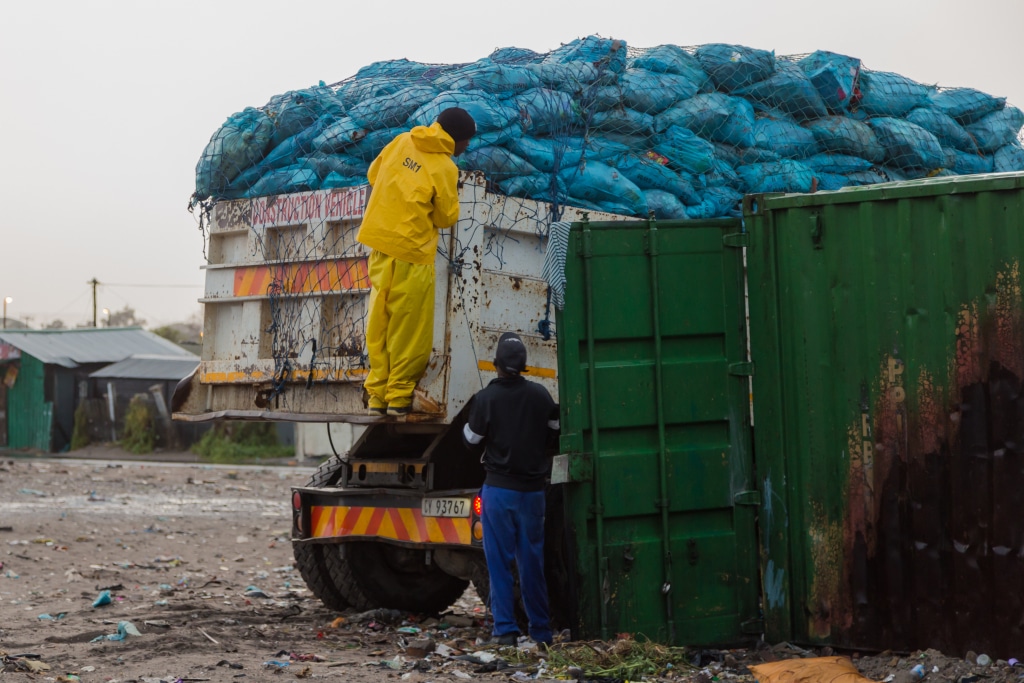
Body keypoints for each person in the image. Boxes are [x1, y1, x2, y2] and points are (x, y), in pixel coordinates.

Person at [357, 107, 476, 417]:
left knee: (379, 322)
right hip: (412, 252)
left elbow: (373, 174)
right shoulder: (446, 167)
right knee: (409, 330)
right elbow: (446, 216)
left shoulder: (400, 141)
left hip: (381, 245)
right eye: (466, 143)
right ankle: (397, 398)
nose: (466, 149)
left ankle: (375, 397)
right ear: (457, 140)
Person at [463, 332, 560, 646]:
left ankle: (505, 632)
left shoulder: (486, 398)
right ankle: (541, 632)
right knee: (532, 562)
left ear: (496, 365)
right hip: (533, 494)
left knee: (499, 564)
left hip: (499, 492)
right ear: (525, 365)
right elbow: (555, 434)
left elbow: (470, 440)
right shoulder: (541, 396)